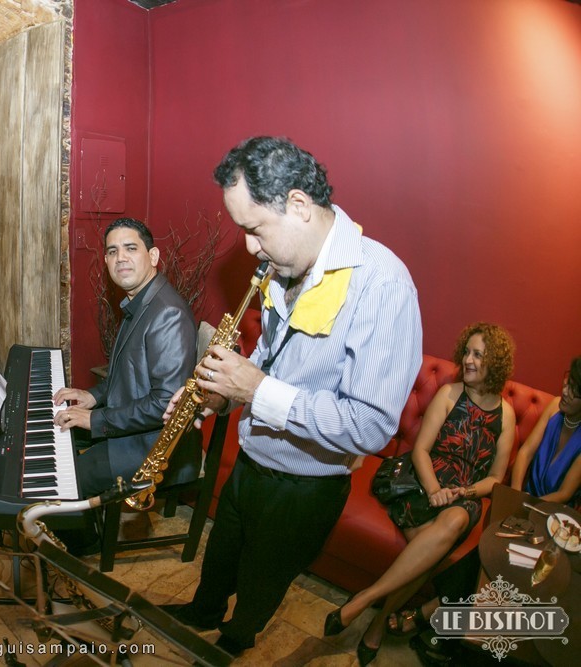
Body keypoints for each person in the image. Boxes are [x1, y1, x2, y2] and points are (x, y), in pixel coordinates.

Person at [162, 137, 423, 657]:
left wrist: (257, 389)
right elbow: (269, 358)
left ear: (299, 205)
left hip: (305, 487)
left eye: (255, 229)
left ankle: (235, 640)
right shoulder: (283, 270)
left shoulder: (382, 284)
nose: (249, 247)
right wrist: (222, 396)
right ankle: (204, 610)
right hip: (252, 461)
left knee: (262, 580)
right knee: (221, 556)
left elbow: (371, 426)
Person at [324, 322, 516, 665]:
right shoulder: (449, 394)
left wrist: (464, 491)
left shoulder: (507, 415)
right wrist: (434, 490)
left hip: (464, 496)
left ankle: (364, 600)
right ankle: (377, 625)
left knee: (456, 519)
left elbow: (496, 479)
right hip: (423, 481)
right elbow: (421, 450)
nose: (468, 360)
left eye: (478, 355)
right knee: (429, 555)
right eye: (467, 352)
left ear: (495, 363)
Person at [53, 217, 199, 500]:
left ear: (153, 256)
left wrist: (96, 419)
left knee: (64, 478)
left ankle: (77, 529)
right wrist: (93, 396)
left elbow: (164, 404)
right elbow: (128, 374)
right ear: (106, 261)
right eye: (112, 251)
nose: (120, 257)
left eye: (131, 248)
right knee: (55, 431)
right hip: (133, 430)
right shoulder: (141, 300)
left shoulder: (167, 313)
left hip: (152, 448)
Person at [511, 355, 581, 509]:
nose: (565, 392)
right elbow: (525, 452)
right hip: (525, 498)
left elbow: (564, 494)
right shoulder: (554, 406)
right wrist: (515, 495)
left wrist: (529, 506)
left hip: (553, 511)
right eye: (568, 383)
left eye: (574, 391)